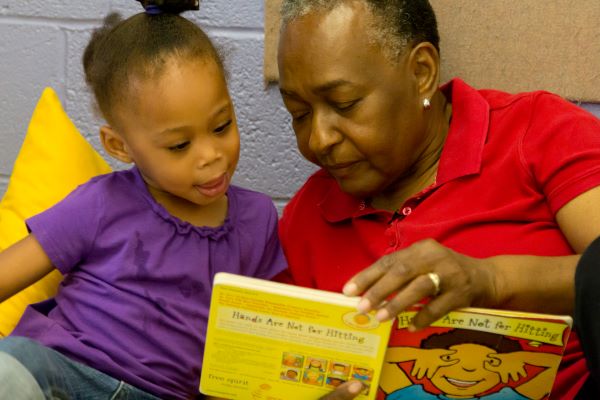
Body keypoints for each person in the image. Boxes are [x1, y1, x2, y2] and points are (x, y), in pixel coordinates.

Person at [275, 0, 600, 399]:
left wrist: (493, 280)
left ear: (421, 72)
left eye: (344, 104)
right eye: (298, 113)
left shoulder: (536, 133)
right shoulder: (308, 216)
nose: (318, 139)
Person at [0, 4, 286, 400]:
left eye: (222, 126)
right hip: (66, 373)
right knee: (9, 366)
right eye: (179, 145)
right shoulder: (101, 202)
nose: (210, 155)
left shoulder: (257, 220)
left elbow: (257, 345)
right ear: (120, 146)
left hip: (166, 395)